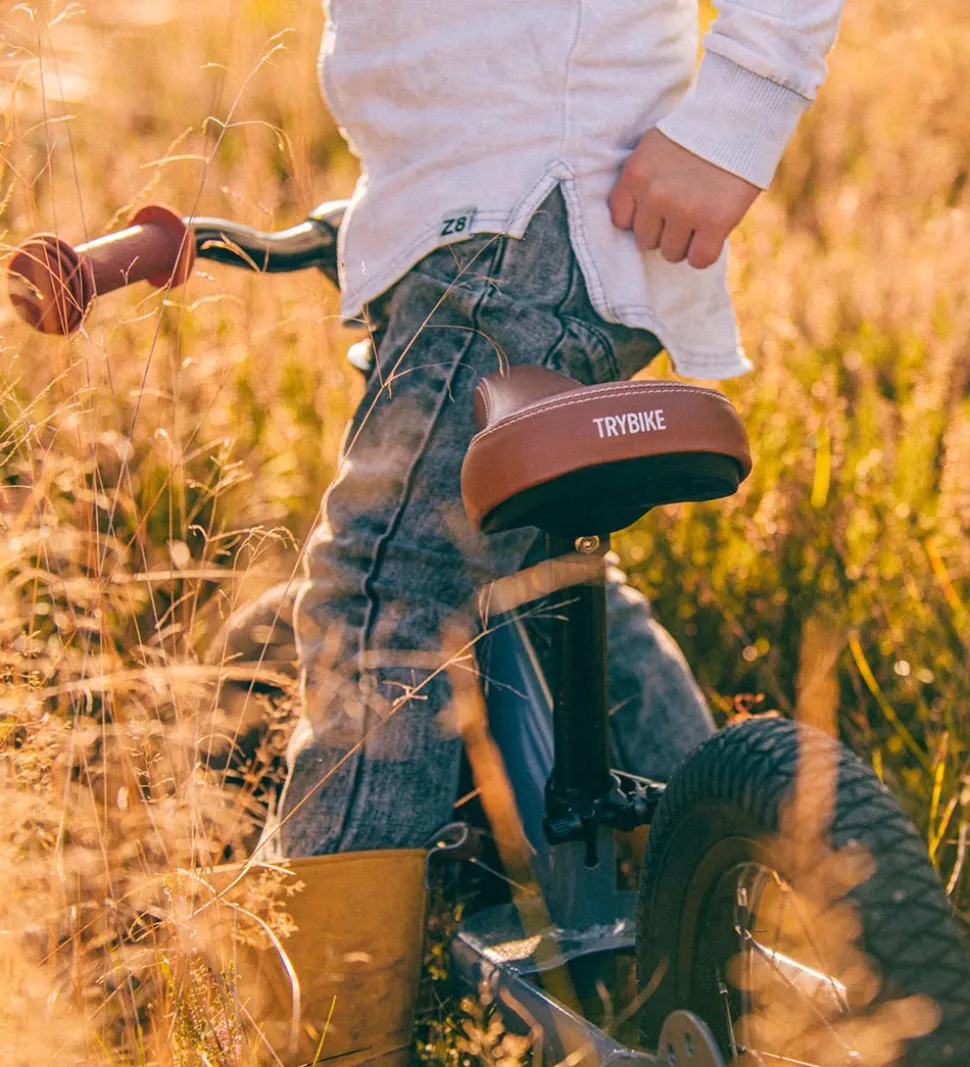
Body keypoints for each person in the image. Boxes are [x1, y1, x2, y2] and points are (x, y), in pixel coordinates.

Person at [270, 0, 844, 859]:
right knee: (544, 579)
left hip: (525, 221)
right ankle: (740, 894)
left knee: (391, 600)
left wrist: (735, 116)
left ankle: (319, 986)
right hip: (494, 210)